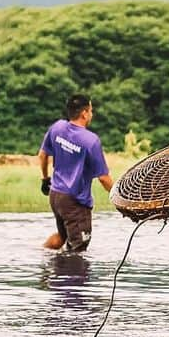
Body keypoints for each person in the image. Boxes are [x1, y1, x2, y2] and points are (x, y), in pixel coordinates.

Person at [38, 94, 113, 252]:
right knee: (78, 248)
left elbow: (42, 155)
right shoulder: (91, 141)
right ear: (84, 113)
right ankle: (65, 273)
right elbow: (104, 178)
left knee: (62, 237)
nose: (92, 114)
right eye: (91, 110)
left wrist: (45, 179)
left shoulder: (57, 128)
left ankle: (42, 259)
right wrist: (120, 196)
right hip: (74, 202)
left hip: (55, 195)